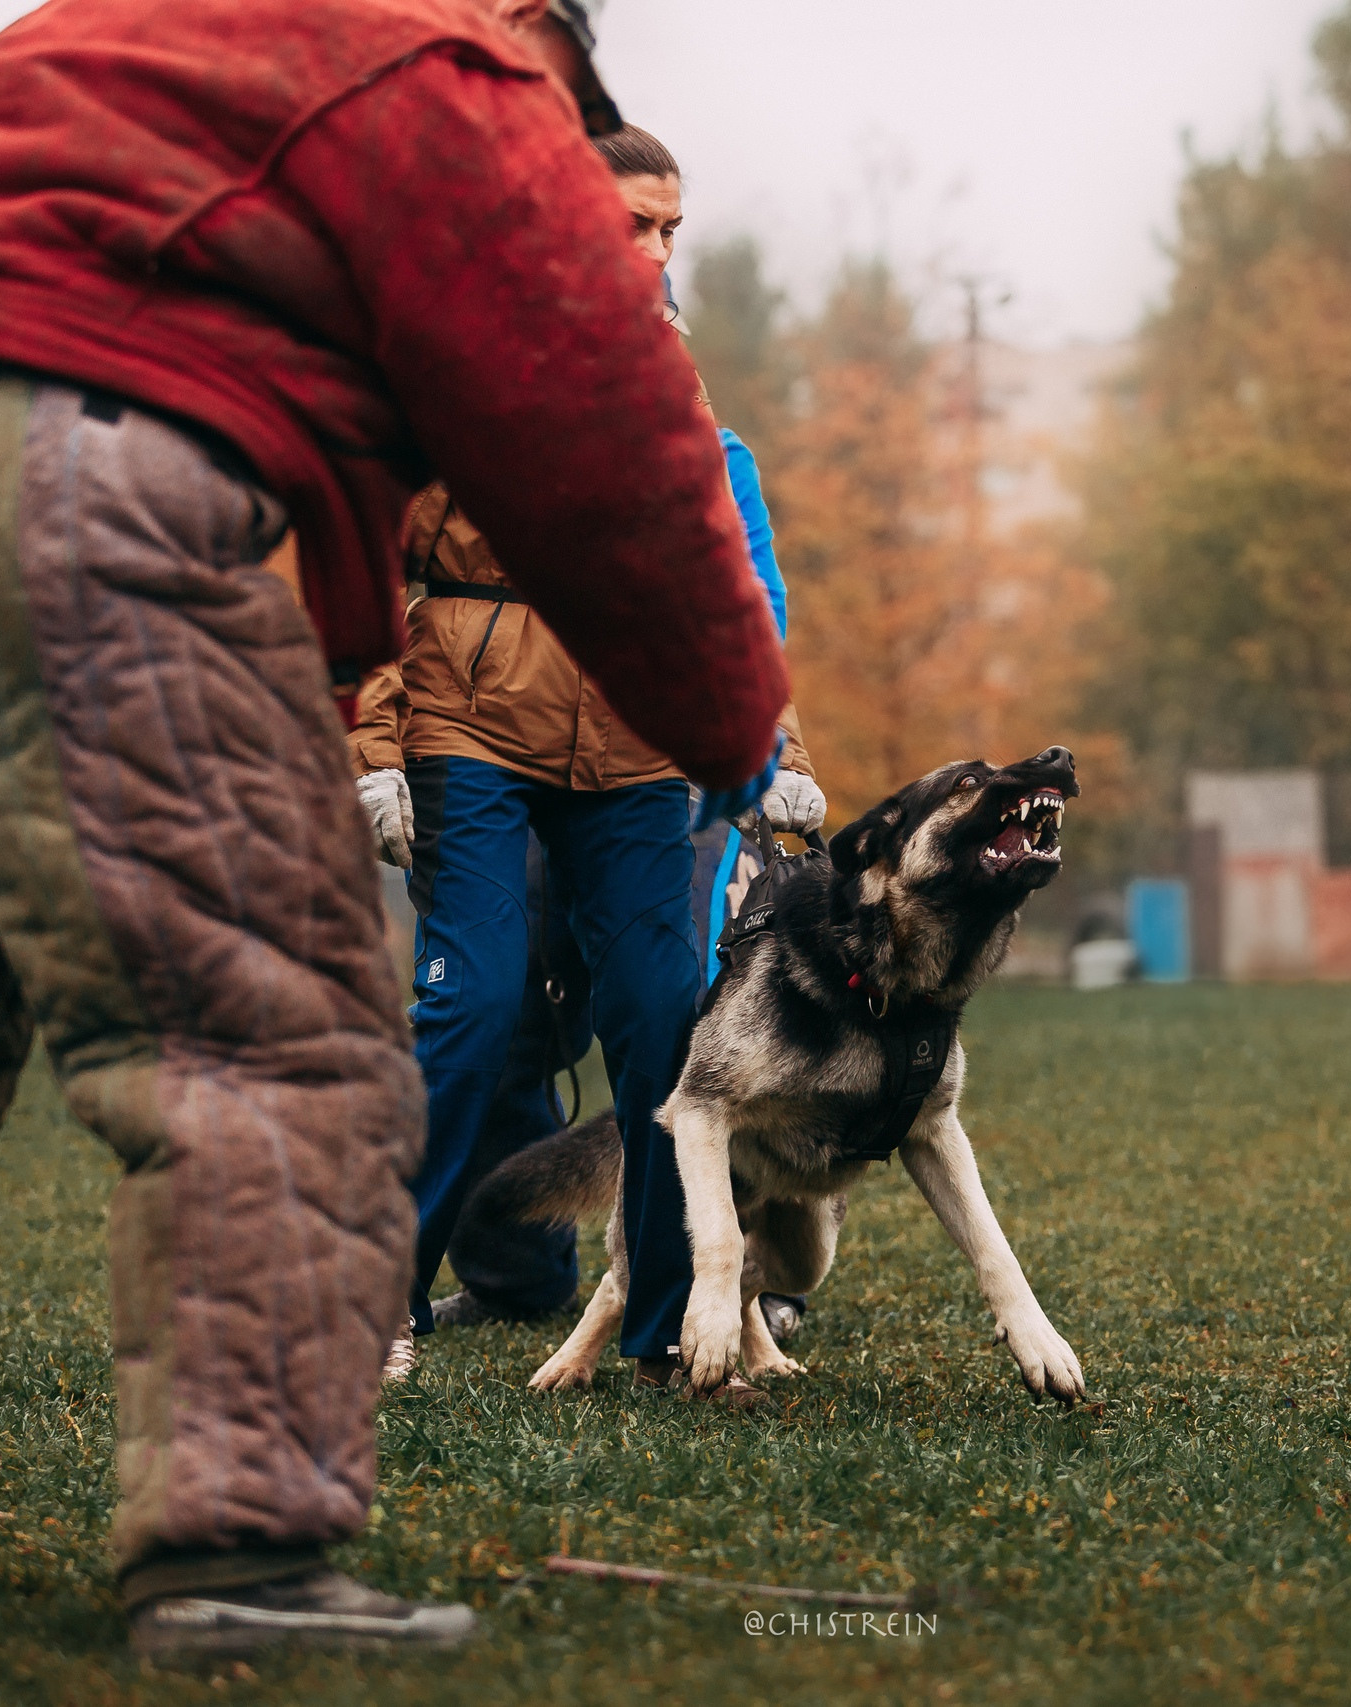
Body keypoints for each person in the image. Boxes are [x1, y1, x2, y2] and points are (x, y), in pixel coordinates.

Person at [0, 0, 789, 1663]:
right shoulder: (458, 71)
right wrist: (732, 725)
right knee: (264, 1020)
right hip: (100, 461)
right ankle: (239, 1551)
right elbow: (610, 440)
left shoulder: (175, 30)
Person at [348, 124, 820, 1405]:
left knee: (667, 1022)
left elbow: (720, 580)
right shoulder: (439, 358)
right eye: (631, 224)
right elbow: (373, 557)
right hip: (472, 726)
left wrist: (770, 750)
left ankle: (667, 1324)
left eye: (671, 229)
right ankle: (373, 1297)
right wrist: (372, 747)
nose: (659, 251)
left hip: (627, 742)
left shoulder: (672, 376)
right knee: (473, 1003)